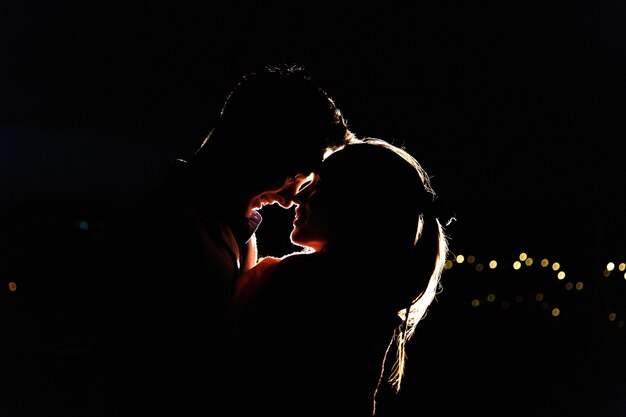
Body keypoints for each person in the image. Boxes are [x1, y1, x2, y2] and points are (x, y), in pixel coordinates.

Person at [90, 63, 357, 416]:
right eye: (295, 177)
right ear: (268, 149)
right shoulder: (168, 234)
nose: (291, 198)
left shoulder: (234, 232)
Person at [225, 138, 454, 416]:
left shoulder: (292, 281)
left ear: (353, 206)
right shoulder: (377, 300)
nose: (298, 196)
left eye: (319, 185)